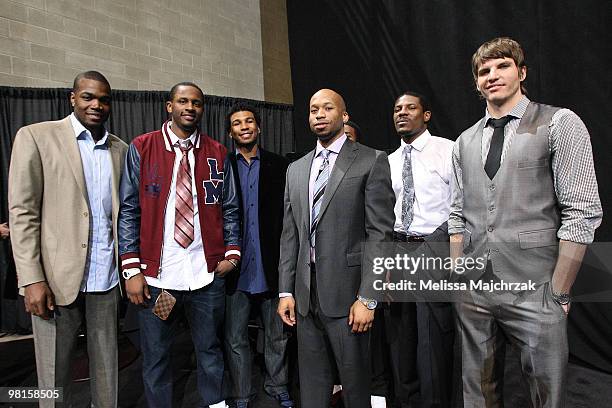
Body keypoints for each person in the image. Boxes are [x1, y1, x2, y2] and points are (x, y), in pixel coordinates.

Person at [449, 37, 603, 407]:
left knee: (545, 395)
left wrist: (559, 292)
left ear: (521, 72)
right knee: (478, 395)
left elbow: (581, 212)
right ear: (476, 83)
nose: (492, 75)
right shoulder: (464, 141)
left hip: (537, 289)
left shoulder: (560, 123)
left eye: (502, 66)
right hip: (474, 291)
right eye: (483, 71)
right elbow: (457, 213)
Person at [8, 71, 128, 407]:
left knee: (107, 374)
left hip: (105, 280)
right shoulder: (36, 137)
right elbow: (23, 213)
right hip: (55, 283)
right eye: (88, 97)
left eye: (104, 99)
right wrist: (31, 278)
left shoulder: (121, 149)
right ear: (72, 98)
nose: (97, 105)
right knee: (53, 377)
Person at [118, 82, 241, 408]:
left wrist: (232, 253)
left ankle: (215, 405)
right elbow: (128, 210)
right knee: (157, 355)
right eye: (183, 101)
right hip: (161, 282)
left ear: (203, 109)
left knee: (210, 351)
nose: (190, 107)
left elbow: (229, 207)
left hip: (205, 278)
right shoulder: (142, 148)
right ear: (169, 106)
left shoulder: (217, 152)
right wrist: (131, 268)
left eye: (197, 103)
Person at [277, 88, 395, 408]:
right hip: (305, 296)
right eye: (313, 109)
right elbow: (290, 235)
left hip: (349, 296)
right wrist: (285, 292)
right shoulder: (297, 169)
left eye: (327, 108)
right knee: (313, 387)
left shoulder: (371, 160)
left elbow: (380, 234)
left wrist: (369, 297)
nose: (319, 114)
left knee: (356, 387)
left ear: (344, 116)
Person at [386, 91, 455, 407]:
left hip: (433, 250)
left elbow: (461, 207)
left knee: (432, 342)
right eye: (397, 109)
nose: (402, 113)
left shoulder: (448, 151)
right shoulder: (389, 162)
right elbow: (385, 215)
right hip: (398, 251)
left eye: (410, 107)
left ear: (426, 115)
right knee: (401, 339)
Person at [223, 103, 294, 407]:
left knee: (276, 336)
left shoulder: (280, 166)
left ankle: (277, 385)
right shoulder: (221, 166)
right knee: (235, 339)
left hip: (272, 267)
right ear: (230, 132)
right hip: (235, 270)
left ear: (259, 128)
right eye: (237, 123)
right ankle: (241, 393)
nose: (244, 127)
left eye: (249, 121)